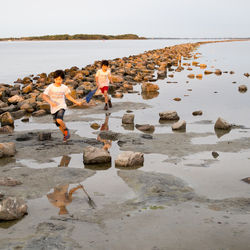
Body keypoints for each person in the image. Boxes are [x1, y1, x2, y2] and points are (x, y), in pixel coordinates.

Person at [42, 70, 82, 142]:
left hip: (61, 106)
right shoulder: (50, 87)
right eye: (56, 79)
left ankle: (66, 130)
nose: (58, 81)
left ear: (62, 79)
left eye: (60, 79)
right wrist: (50, 102)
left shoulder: (64, 87)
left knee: (59, 120)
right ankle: (65, 135)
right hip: (53, 108)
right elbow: (44, 96)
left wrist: (76, 102)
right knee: (58, 124)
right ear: (54, 79)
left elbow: (68, 97)